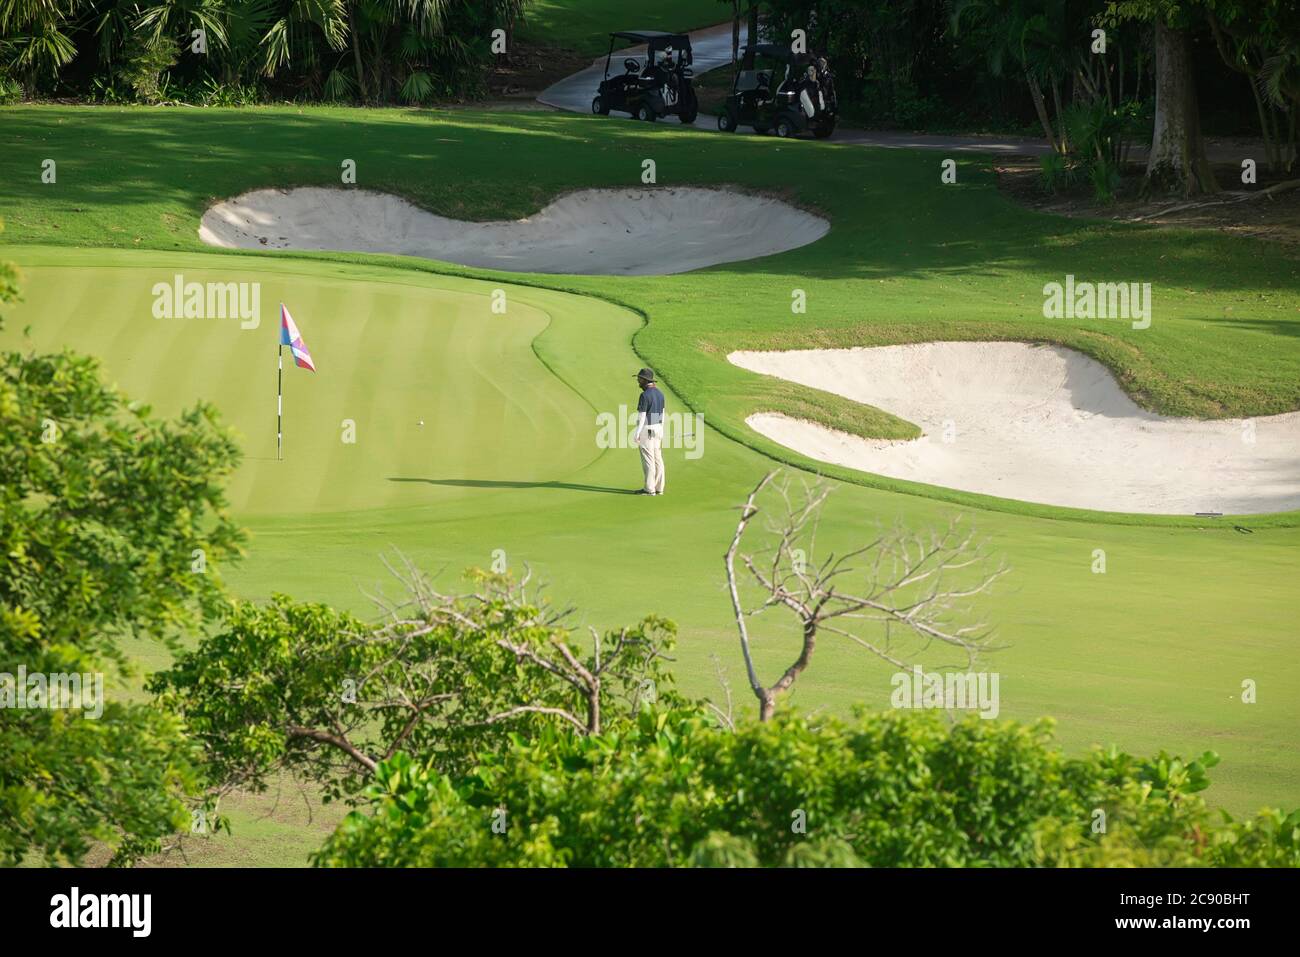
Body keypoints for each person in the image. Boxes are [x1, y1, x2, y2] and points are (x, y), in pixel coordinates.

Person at [632, 367, 665, 495]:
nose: (638, 381)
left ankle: (649, 489)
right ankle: (659, 488)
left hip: (647, 429)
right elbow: (662, 413)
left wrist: (637, 433)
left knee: (649, 460)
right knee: (658, 459)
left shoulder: (644, 395)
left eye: (640, 379)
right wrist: (660, 429)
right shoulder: (660, 393)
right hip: (658, 428)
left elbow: (642, 416)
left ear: (645, 381)